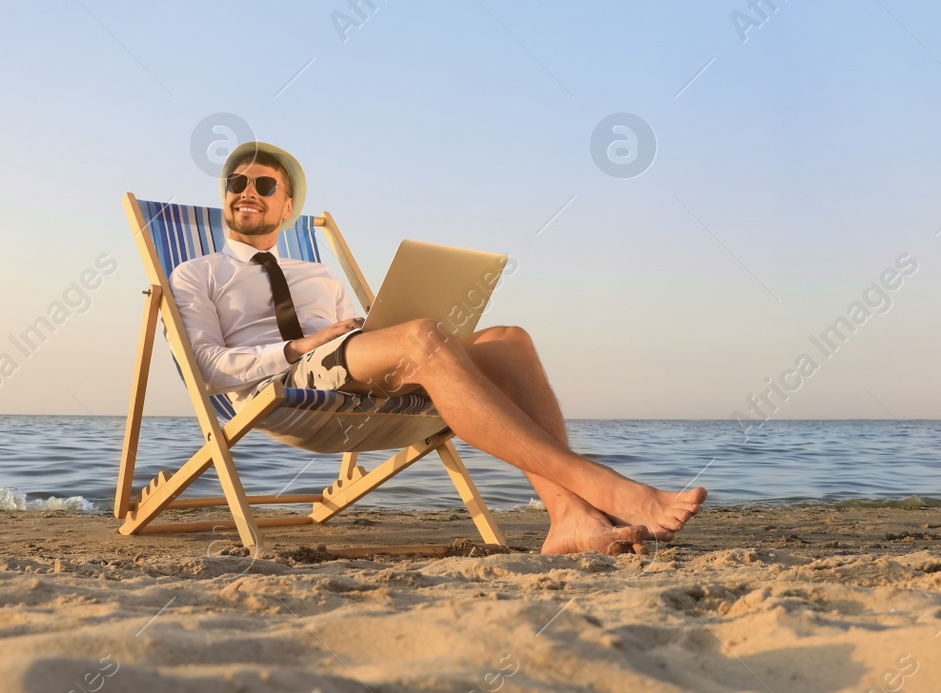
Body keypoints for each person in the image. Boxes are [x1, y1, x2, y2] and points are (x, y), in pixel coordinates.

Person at [166, 141, 706, 555]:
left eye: (263, 184)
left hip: (347, 374)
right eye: (237, 182)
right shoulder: (197, 273)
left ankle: (568, 517)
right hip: (278, 387)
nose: (247, 191)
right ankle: (601, 487)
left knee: (508, 341)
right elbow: (206, 368)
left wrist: (368, 334)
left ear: (287, 208)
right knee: (422, 337)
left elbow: (348, 351)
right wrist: (300, 346)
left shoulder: (318, 275)